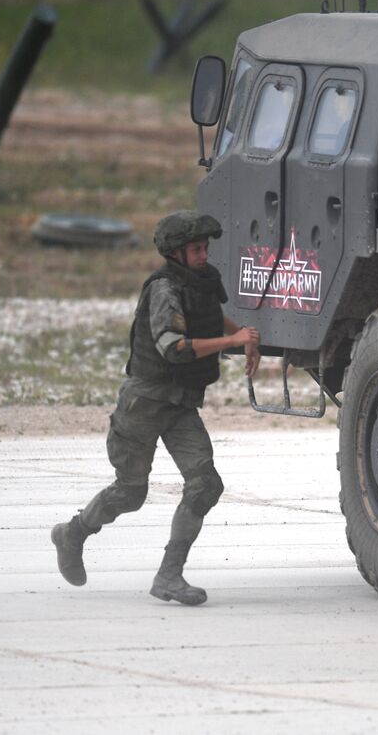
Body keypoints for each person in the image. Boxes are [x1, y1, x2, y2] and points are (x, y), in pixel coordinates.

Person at [50, 210, 259, 606]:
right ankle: (73, 533)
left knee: (205, 485)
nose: (204, 255)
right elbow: (174, 347)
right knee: (131, 493)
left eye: (206, 248)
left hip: (179, 404)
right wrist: (231, 342)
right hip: (144, 403)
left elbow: (209, 316)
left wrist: (241, 334)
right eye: (196, 249)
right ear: (176, 253)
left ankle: (169, 576)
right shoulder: (164, 290)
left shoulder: (197, 284)